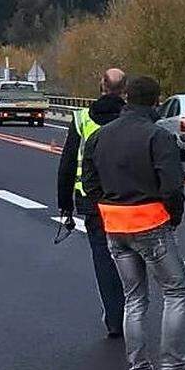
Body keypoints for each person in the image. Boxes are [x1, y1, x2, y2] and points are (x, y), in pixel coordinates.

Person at [82, 75, 185, 370]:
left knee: (134, 299)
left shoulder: (100, 136)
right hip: (151, 225)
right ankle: (173, 367)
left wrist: (110, 207)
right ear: (157, 102)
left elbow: (89, 183)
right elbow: (172, 185)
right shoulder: (158, 137)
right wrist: (172, 218)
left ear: (127, 98)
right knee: (175, 292)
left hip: (115, 229)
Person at [57, 68, 128, 337]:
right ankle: (133, 314)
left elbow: (67, 164)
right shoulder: (133, 118)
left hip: (92, 203)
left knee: (103, 259)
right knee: (132, 257)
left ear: (101, 85)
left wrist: (65, 205)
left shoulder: (82, 119)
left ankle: (114, 317)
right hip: (130, 201)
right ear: (125, 90)